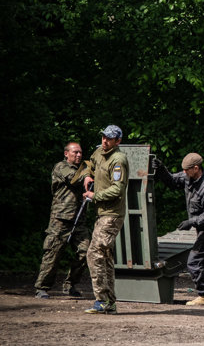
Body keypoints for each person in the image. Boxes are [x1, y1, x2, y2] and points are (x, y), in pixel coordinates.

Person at [152, 152, 204, 306]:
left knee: (193, 262)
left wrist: (191, 222)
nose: (184, 173)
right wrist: (161, 169)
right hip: (203, 226)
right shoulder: (189, 177)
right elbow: (172, 181)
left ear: (196, 168)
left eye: (187, 170)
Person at [33, 142, 90, 299]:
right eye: (75, 152)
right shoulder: (61, 167)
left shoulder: (84, 169)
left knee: (86, 252)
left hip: (78, 221)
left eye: (80, 153)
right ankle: (42, 287)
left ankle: (70, 284)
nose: (78, 155)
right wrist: (88, 174)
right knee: (53, 253)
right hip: (60, 219)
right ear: (66, 153)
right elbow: (73, 179)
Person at [82, 125, 129, 314]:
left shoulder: (119, 160)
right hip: (102, 213)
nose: (104, 141)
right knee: (105, 256)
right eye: (103, 137)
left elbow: (118, 189)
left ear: (118, 141)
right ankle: (109, 302)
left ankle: (101, 300)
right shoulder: (99, 152)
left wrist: (95, 196)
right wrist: (86, 175)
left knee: (94, 253)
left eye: (109, 139)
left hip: (112, 214)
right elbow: (89, 163)